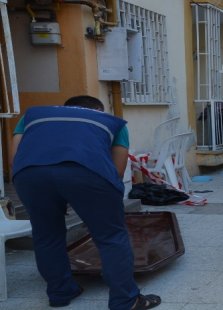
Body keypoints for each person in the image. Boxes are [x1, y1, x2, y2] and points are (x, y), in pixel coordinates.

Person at [10, 96, 161, 310]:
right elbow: (117, 171)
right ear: (100, 110)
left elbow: (16, 158)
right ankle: (126, 300)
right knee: (111, 236)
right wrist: (100, 200)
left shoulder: (33, 115)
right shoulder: (112, 122)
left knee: (46, 234)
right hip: (88, 173)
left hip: (30, 174)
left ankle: (60, 293)